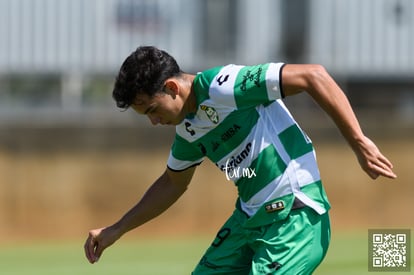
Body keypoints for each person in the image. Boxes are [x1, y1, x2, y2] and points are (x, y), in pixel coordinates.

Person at [84, 46, 397, 274]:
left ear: (171, 87)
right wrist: (117, 229)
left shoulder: (225, 85)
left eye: (152, 110)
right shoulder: (189, 130)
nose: (154, 122)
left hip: (295, 215)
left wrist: (359, 141)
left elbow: (313, 75)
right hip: (248, 222)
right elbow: (171, 183)